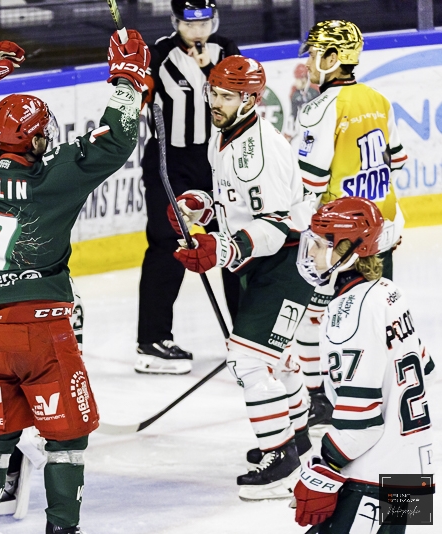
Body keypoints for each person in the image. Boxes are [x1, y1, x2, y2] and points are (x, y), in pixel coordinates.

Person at [0, 30, 149, 534]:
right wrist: (126, 82)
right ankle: (62, 529)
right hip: (42, 335)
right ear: (37, 137)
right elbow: (116, 140)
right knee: (65, 442)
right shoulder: (53, 177)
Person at [168, 56, 315, 500]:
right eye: (213, 92)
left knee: (248, 360)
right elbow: (237, 203)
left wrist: (223, 248)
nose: (215, 102)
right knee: (274, 355)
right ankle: (299, 435)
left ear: (250, 99)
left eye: (226, 96)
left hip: (285, 265)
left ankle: (281, 459)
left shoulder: (262, 151)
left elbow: (276, 223)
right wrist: (203, 208)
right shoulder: (227, 137)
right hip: (266, 266)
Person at [293, 196, 434, 533]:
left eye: (320, 243)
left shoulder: (348, 312)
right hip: (411, 469)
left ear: (347, 249)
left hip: (370, 475)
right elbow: (426, 370)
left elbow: (362, 420)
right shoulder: (388, 291)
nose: (310, 252)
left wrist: (323, 465)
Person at [293, 20, 408, 430]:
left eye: (314, 53)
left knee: (313, 317)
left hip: (338, 239)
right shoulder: (377, 98)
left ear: (333, 58)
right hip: (381, 228)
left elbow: (308, 183)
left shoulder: (320, 109)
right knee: (377, 316)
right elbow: (396, 161)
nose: (308, 61)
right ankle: (388, 396)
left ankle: (320, 398)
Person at [136, 0, 241, 375]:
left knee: (234, 244)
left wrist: (209, 69)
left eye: (204, 23)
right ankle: (152, 340)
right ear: (175, 22)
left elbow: (237, 96)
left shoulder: (226, 50)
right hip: (170, 162)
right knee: (168, 244)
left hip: (217, 160)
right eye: (189, 24)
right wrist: (129, 74)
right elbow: (137, 97)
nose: (198, 32)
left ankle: (247, 340)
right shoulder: (159, 54)